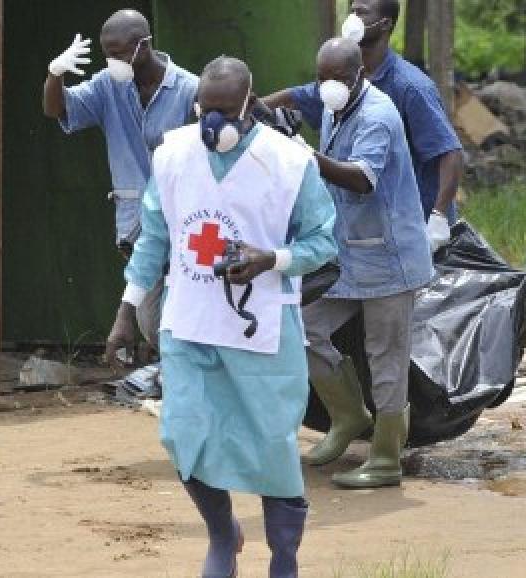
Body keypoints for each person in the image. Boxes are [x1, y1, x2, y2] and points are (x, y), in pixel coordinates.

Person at [104, 56, 337, 577]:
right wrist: (126, 309)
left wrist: (269, 259)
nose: (214, 123)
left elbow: (323, 241)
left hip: (264, 329)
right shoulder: (173, 155)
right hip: (189, 323)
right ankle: (220, 537)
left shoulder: (289, 162)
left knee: (274, 451)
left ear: (250, 105)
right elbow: (154, 238)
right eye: (205, 110)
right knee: (185, 438)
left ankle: (283, 557)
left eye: (226, 111)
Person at [300, 38, 433, 489]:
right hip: (347, 254)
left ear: (361, 74)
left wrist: (306, 158)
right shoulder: (335, 108)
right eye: (323, 78)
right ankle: (348, 416)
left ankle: (386, 457)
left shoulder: (378, 115)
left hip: (389, 257)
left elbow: (361, 179)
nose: (329, 86)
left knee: (386, 356)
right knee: (304, 327)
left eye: (338, 78)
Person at [43, 9, 198, 352]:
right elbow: (59, 109)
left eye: (119, 53)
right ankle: (176, 376)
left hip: (185, 217)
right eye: (107, 54)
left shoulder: (188, 89)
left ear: (144, 45)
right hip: (137, 222)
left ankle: (188, 386)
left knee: (188, 307)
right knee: (150, 318)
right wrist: (55, 75)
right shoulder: (108, 85)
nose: (112, 61)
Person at [262, 0, 463, 253]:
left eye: (361, 12)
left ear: (385, 24)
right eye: (351, 11)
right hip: (364, 222)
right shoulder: (342, 80)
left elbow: (449, 152)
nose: (352, 18)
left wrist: (439, 216)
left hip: (413, 223)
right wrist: (245, 110)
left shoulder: (409, 87)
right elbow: (295, 98)